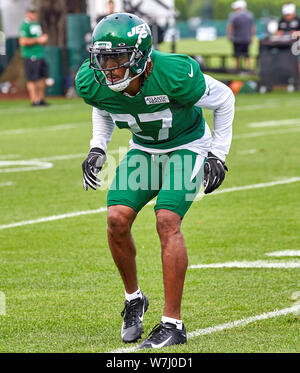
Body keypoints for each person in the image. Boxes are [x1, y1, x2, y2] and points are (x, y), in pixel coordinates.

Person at [76, 13, 235, 349]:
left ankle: (173, 325)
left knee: (167, 220)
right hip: (144, 148)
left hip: (188, 146)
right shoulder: (92, 80)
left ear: (141, 57)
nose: (109, 68)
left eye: (118, 58)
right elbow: (103, 105)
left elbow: (224, 99)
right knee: (116, 219)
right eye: (103, 58)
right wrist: (96, 147)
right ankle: (134, 299)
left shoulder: (173, 72)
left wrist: (217, 154)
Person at [19, 5, 50, 106]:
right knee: (32, 79)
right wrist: (38, 40)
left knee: (42, 77)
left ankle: (41, 99)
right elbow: (23, 41)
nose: (33, 14)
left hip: (40, 54)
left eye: (34, 12)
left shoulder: (36, 24)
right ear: (27, 13)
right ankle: (34, 100)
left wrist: (43, 39)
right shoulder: (25, 25)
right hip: (30, 55)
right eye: (31, 12)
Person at [227, 0, 255, 70]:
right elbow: (252, 27)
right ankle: (249, 69)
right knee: (247, 55)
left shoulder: (233, 15)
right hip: (246, 39)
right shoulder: (250, 15)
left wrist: (229, 35)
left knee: (236, 56)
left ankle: (236, 69)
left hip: (237, 39)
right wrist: (252, 37)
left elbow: (230, 26)